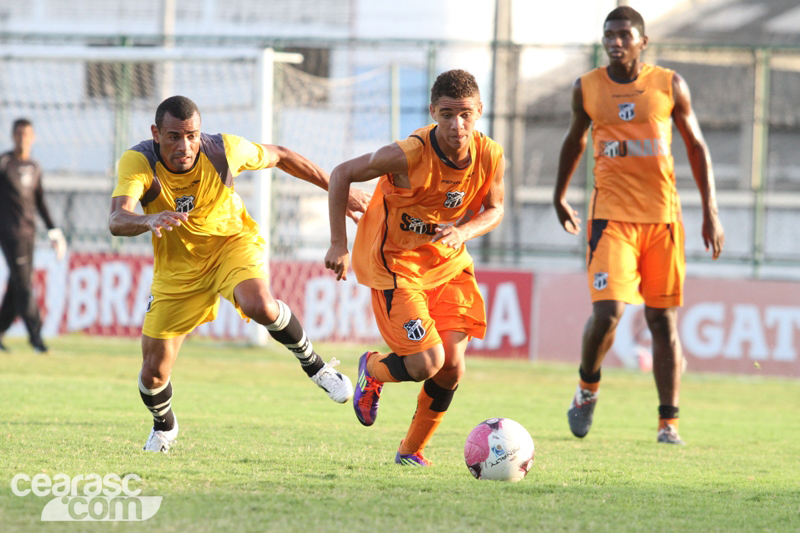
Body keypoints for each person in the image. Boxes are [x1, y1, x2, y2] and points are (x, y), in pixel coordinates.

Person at [109, 95, 370, 452]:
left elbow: (282, 155)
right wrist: (148, 219)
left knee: (259, 304)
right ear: (156, 133)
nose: (184, 146)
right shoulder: (139, 162)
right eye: (173, 137)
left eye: (192, 136)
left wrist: (342, 191)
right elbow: (116, 219)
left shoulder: (223, 151)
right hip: (178, 271)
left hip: (230, 245)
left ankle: (317, 368)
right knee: (153, 373)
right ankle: (164, 426)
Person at [553, 6, 725, 445]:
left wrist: (711, 211)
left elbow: (696, 146)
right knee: (608, 312)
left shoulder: (669, 85)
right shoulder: (587, 88)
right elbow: (575, 140)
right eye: (609, 34)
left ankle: (669, 423)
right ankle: (587, 388)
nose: (615, 41)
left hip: (662, 219)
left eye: (625, 34)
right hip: (610, 218)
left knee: (662, 320)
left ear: (642, 41)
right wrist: (559, 195)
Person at [325, 69, 505, 465]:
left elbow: (494, 208)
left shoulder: (490, 154)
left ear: (479, 112)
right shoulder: (409, 154)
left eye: (465, 115)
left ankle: (410, 452)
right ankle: (372, 369)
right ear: (432, 112)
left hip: (447, 263)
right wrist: (338, 242)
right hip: (396, 265)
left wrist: (464, 232)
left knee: (452, 369)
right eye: (446, 115)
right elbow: (341, 174)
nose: (457, 125)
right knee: (426, 362)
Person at [0, 118, 67, 354]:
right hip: (9, 233)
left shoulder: (35, 167)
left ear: (33, 137)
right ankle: (37, 339)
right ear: (12, 135)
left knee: (16, 285)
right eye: (19, 133)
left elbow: (40, 202)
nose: (22, 138)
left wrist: (54, 232)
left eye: (27, 134)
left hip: (29, 234)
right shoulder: (4, 162)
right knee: (24, 285)